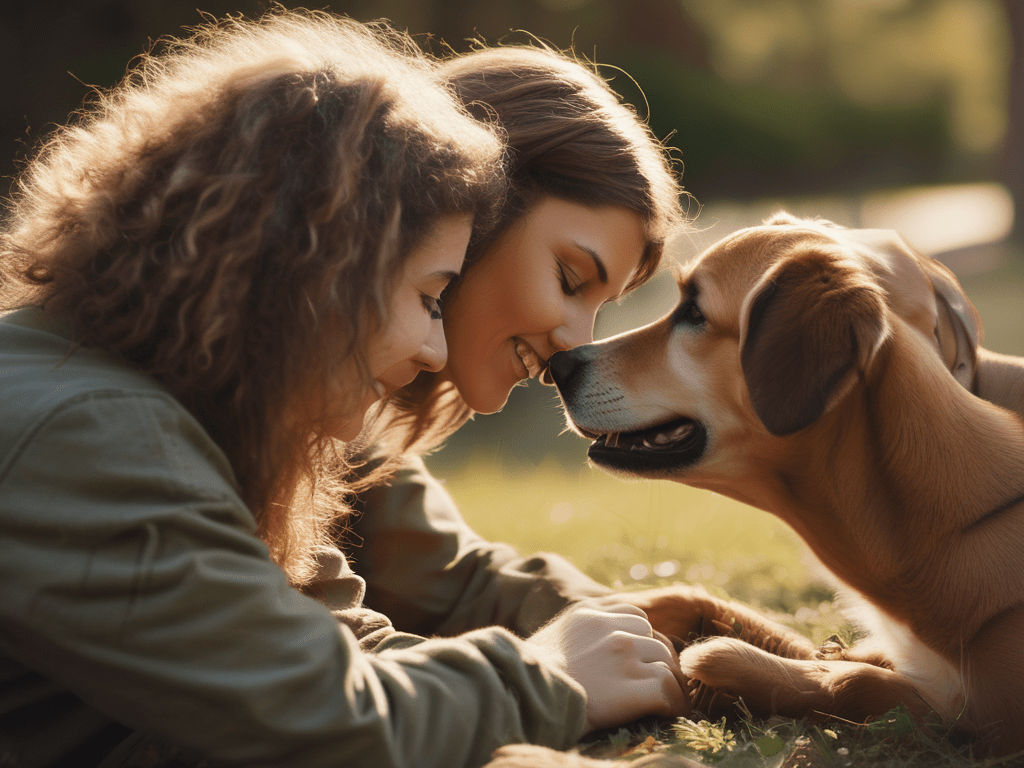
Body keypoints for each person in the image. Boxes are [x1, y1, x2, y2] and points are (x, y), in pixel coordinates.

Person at [0, 11, 686, 768]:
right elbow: (310, 713)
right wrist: (546, 677)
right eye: (431, 297)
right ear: (318, 265)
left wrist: (599, 655)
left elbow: (321, 644)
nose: (433, 347)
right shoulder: (92, 427)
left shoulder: (203, 409)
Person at [342, 38, 707, 747]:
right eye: (571, 280)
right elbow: (313, 688)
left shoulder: (356, 427)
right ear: (464, 202)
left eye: (600, 306)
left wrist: (631, 631)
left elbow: (454, 578)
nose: (577, 343)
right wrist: (549, 671)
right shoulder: (182, 411)